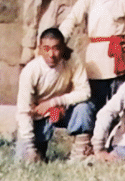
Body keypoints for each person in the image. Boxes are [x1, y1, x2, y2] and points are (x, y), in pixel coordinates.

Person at [15, 28, 94, 163]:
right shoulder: (31, 71)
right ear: (40, 49)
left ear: (63, 48)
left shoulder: (72, 60)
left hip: (63, 110)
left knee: (84, 108)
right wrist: (29, 146)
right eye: (46, 49)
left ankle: (79, 155)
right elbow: (23, 111)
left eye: (56, 48)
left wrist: (54, 102)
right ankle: (37, 149)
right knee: (27, 161)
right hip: (38, 115)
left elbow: (85, 92)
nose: (51, 54)